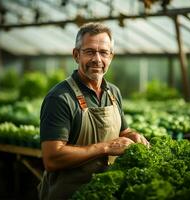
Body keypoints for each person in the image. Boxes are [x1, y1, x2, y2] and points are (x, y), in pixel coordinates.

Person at [38, 22, 149, 200]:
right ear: (76, 55)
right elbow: (52, 159)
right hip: (69, 194)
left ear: (111, 57)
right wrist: (105, 147)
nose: (97, 59)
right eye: (89, 51)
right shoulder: (59, 98)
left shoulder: (113, 92)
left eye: (103, 52)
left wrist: (133, 135)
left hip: (106, 192)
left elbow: (123, 131)